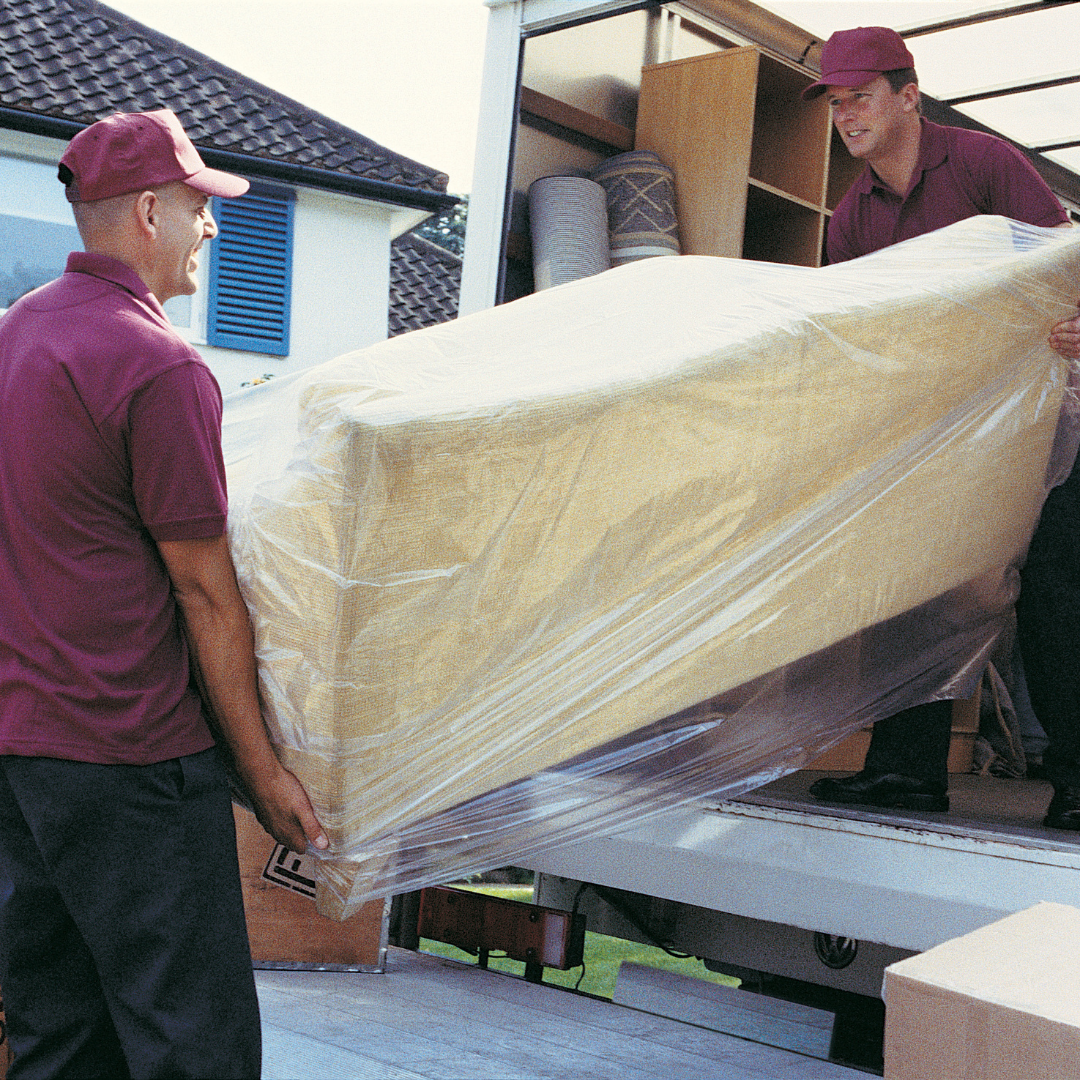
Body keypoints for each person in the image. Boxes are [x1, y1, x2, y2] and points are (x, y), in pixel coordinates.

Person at [0, 109, 328, 1079]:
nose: (211, 227)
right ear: (150, 212)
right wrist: (264, 776)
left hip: (22, 764)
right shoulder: (160, 366)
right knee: (196, 1052)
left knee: (60, 1043)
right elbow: (206, 592)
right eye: (199, 206)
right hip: (132, 763)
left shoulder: (12, 340)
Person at [799, 27, 1080, 825]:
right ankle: (907, 772)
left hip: (1046, 418)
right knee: (914, 588)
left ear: (909, 96)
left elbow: (1064, 262)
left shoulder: (983, 164)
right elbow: (859, 335)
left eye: (860, 97)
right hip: (943, 432)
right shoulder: (852, 219)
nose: (846, 116)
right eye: (836, 104)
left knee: (1057, 588)